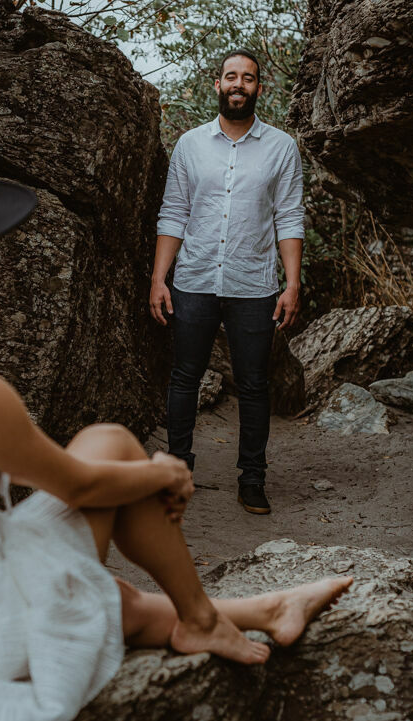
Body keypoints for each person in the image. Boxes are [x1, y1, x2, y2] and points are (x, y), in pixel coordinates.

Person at [0, 137, 350, 721]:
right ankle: (201, 618)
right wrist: (163, 470)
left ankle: (267, 608)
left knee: (106, 578)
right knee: (116, 458)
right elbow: (83, 488)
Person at [150, 49, 305, 515]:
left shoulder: (282, 148)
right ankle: (176, 472)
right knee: (184, 377)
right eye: (231, 77)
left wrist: (291, 284)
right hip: (193, 278)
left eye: (249, 78)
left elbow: (289, 216)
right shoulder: (190, 146)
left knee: (255, 384)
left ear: (260, 88)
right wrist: (160, 279)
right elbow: (173, 212)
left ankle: (252, 479)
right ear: (217, 85)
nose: (239, 84)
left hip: (254, 284)